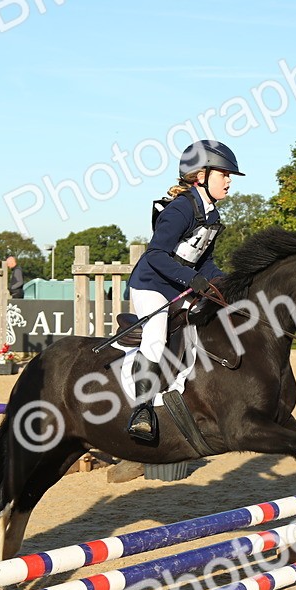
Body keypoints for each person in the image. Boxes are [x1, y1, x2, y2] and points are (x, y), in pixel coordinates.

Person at [125, 139, 241, 441]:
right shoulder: (180, 210)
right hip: (151, 285)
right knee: (157, 330)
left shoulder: (211, 214)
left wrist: (226, 283)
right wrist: (192, 280)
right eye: (223, 175)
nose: (228, 181)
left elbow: (206, 262)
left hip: (178, 284)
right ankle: (142, 411)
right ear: (200, 176)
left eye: (229, 176)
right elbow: (156, 255)